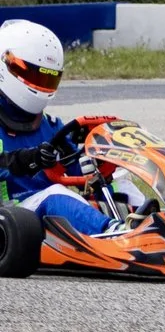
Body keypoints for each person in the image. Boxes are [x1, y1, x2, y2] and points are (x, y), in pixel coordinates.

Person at [0, 17, 114, 236]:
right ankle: (115, 233)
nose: (41, 86)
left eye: (48, 79)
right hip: (12, 212)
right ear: (7, 66)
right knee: (56, 195)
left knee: (118, 186)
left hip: (47, 212)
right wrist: (28, 159)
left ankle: (154, 226)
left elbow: (78, 172)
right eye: (34, 76)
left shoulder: (50, 126)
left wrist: (98, 159)